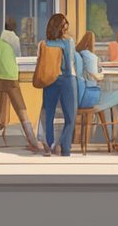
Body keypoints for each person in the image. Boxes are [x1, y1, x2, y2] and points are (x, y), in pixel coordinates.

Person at [76, 31, 118, 153]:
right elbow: (95, 77)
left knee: (110, 106)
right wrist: (100, 73)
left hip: (83, 97)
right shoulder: (91, 57)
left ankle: (114, 140)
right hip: (93, 97)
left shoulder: (77, 56)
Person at [0, 17, 43, 153]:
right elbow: (18, 55)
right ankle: (32, 141)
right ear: (14, 26)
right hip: (11, 75)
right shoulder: (14, 39)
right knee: (21, 109)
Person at [40, 12, 77, 157]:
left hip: (50, 80)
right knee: (70, 116)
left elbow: (41, 63)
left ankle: (49, 146)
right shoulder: (68, 42)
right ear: (63, 27)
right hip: (67, 79)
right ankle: (64, 146)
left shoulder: (44, 44)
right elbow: (69, 64)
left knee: (49, 114)